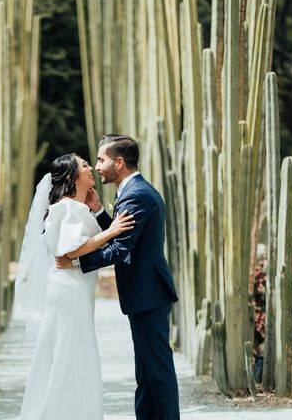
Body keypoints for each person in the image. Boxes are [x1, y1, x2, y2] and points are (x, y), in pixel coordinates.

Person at [57, 134, 180, 420]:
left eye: (101, 159)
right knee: (147, 374)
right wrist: (100, 210)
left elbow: (119, 249)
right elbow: (120, 234)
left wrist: (74, 261)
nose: (98, 166)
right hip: (145, 295)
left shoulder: (136, 194)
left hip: (149, 295)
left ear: (119, 162)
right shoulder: (133, 190)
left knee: (157, 373)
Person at [15, 153, 135, 420]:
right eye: (83, 165)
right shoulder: (67, 207)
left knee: (66, 352)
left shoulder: (72, 206)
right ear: (71, 177)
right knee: (71, 353)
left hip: (71, 288)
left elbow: (70, 252)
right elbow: (72, 249)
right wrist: (111, 231)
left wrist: (95, 210)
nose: (91, 167)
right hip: (69, 291)